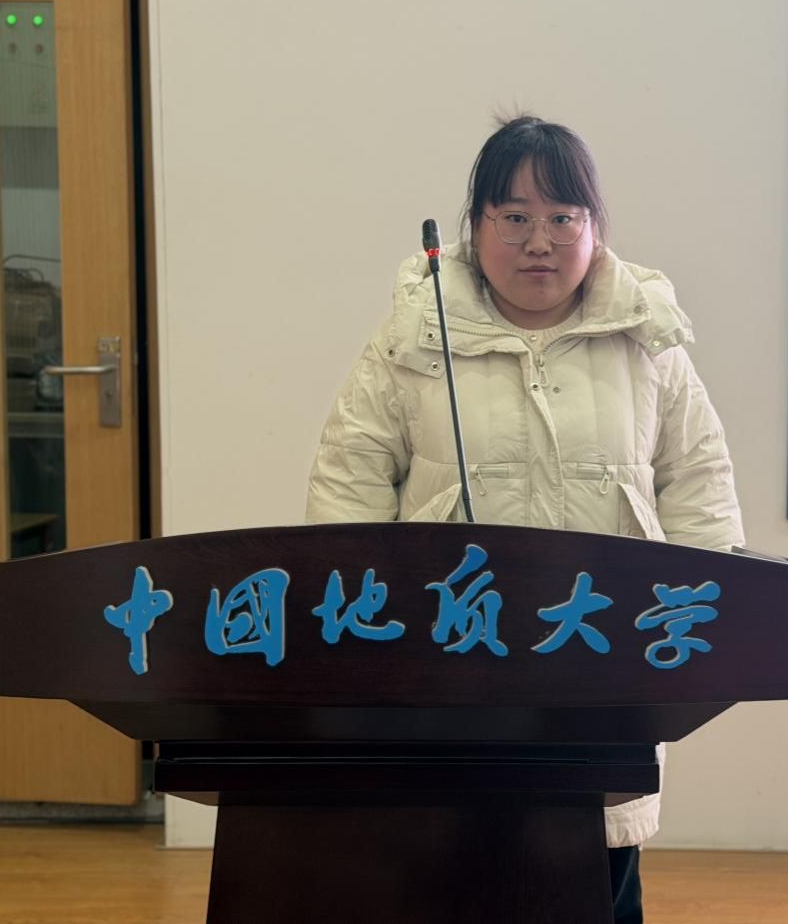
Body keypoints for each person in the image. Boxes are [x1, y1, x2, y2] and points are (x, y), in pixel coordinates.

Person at [306, 114, 744, 924]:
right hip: (446, 660)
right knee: (444, 872)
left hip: (602, 663)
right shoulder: (414, 339)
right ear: (474, 228)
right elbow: (350, 482)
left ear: (595, 227)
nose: (539, 241)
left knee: (594, 875)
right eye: (514, 216)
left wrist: (708, 629)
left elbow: (698, 483)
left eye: (562, 216)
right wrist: (360, 639)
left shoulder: (647, 344)